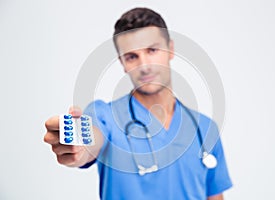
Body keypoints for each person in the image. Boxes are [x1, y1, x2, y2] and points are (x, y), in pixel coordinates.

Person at [44, 7, 232, 200]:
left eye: (152, 50)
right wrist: (79, 147)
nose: (144, 65)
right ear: (122, 63)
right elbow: (91, 139)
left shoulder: (205, 128)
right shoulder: (105, 116)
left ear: (171, 49)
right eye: (132, 57)